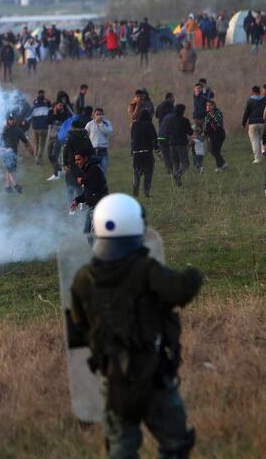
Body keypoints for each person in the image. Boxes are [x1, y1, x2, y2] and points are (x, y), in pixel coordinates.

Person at [69, 193, 200, 459]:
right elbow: (180, 290)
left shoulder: (83, 278)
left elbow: (78, 327)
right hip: (150, 373)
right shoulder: (144, 269)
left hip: (111, 376)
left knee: (120, 447)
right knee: (175, 443)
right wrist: (194, 274)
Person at [70, 148, 109, 235]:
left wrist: (83, 181)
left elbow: (96, 187)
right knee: (87, 232)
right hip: (92, 206)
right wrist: (77, 200)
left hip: (99, 205)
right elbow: (89, 191)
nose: (76, 162)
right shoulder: (87, 169)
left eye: (79, 159)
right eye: (75, 160)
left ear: (86, 158)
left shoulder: (94, 169)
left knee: (94, 235)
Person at [0, 114, 34, 194]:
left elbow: (24, 140)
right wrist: (1, 149)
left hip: (14, 152)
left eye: (12, 119)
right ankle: (16, 186)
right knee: (10, 170)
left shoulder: (18, 130)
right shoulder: (4, 130)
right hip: (6, 152)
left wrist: (29, 147)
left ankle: (7, 187)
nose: (11, 121)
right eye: (10, 119)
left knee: (9, 169)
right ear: (8, 121)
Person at [131, 109, 158, 198]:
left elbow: (132, 139)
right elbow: (154, 138)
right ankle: (146, 190)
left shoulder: (134, 125)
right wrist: (157, 149)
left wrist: (132, 151)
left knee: (136, 172)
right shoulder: (149, 125)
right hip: (147, 152)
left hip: (136, 153)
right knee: (148, 172)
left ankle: (135, 187)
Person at [167, 104, 193, 186]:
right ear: (182, 111)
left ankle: (177, 181)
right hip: (181, 144)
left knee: (175, 163)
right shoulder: (185, 120)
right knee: (186, 163)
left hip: (172, 144)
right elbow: (190, 132)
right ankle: (178, 174)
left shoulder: (170, 120)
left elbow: (167, 132)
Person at [46, 100, 71, 181]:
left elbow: (67, 121)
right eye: (60, 105)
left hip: (59, 137)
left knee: (54, 156)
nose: (61, 107)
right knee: (49, 156)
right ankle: (59, 169)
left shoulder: (64, 113)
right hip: (51, 136)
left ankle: (56, 174)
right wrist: (54, 113)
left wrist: (58, 113)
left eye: (62, 106)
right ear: (56, 106)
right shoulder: (51, 112)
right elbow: (48, 121)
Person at [242, 86, 266, 164]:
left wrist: (243, 122)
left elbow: (247, 112)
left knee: (254, 140)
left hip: (253, 123)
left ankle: (257, 159)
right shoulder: (264, 100)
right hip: (262, 122)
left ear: (252, 92)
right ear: (259, 91)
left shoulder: (250, 100)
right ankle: (263, 150)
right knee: (263, 138)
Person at [85, 108, 113, 174]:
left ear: (103, 115)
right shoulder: (90, 124)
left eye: (100, 114)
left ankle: (103, 184)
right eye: (97, 114)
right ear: (94, 115)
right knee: (92, 171)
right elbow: (85, 134)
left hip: (103, 150)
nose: (98, 116)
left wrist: (100, 124)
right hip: (93, 150)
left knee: (103, 170)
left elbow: (109, 132)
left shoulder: (106, 123)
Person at [28, 90, 51, 165]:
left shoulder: (34, 107)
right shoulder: (46, 107)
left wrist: (24, 122)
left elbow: (28, 117)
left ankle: (35, 157)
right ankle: (38, 159)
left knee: (36, 144)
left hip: (35, 128)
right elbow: (51, 111)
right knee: (41, 145)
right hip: (44, 128)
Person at [204, 100, 228, 172]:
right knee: (212, 150)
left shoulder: (216, 113)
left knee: (215, 150)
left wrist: (207, 131)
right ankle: (222, 164)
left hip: (218, 134)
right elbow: (207, 126)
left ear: (213, 106)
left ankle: (220, 166)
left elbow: (217, 125)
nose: (208, 107)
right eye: (207, 105)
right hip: (212, 135)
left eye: (209, 105)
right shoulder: (208, 115)